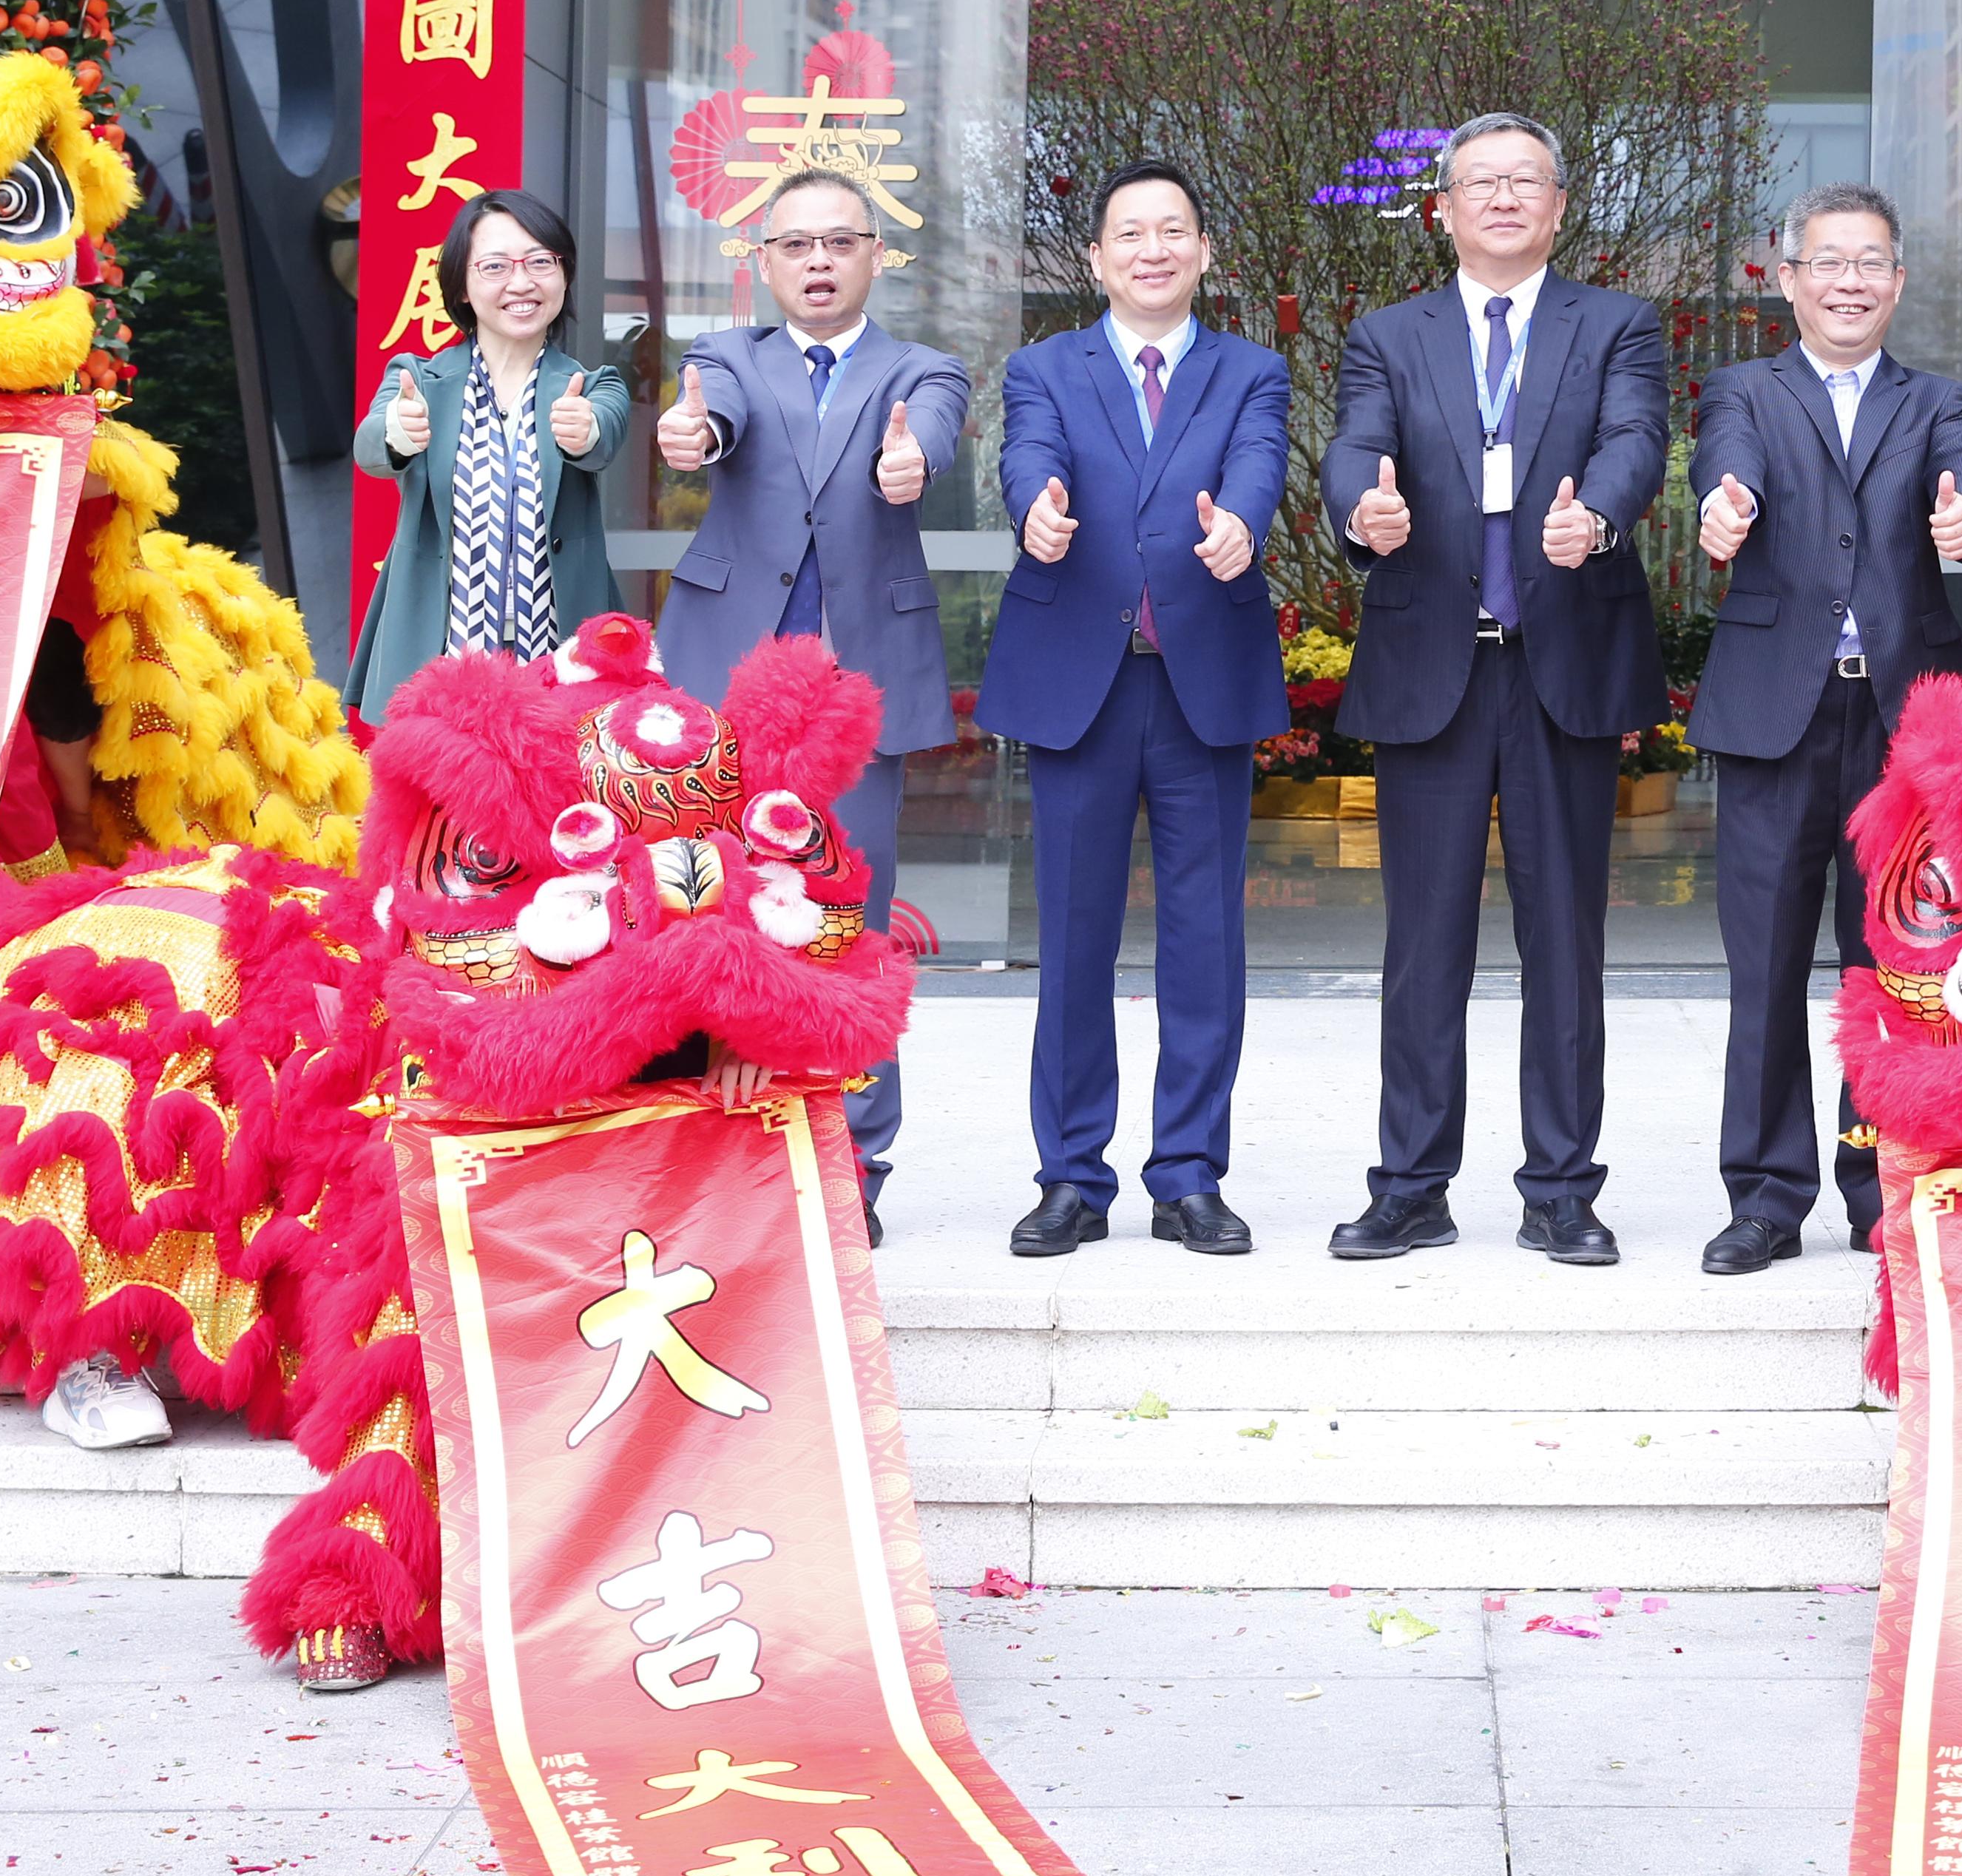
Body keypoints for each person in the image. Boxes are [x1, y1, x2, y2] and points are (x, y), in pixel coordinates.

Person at [1316, 113, 1669, 1267]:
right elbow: (1356, 444)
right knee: (1423, 943)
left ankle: (1561, 1188)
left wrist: (1597, 515)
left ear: (1559, 206)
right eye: (1482, 181)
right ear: (1445, 207)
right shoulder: (1388, 333)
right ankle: (1411, 1184)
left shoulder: (1616, 323)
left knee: (1565, 939)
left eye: (1527, 180)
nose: (1505, 197)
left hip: (1562, 658)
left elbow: (1636, 439)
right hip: (1434, 663)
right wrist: (1363, 510)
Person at [980, 160, 1290, 1261]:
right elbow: (1028, 455)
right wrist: (1037, 510)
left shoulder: (1251, 369)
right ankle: (1071, 1174)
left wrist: (1240, 524)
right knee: (1074, 940)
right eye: (1130, 233)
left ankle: (1190, 1173)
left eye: (1173, 231)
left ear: (1204, 251)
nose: (1152, 250)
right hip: (1083, 681)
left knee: (1206, 941)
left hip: (1201, 679)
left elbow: (1258, 465)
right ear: (1097, 257)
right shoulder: (1042, 366)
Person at [1687, 183, 1962, 1276]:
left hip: (1903, 722)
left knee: (1898, 965)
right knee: (1766, 964)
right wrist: (1725, 506)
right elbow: (1726, 463)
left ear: (1898, 282)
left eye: (1871, 263)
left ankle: (1884, 1184)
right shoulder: (1743, 388)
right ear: (1790, 279)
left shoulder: (1939, 398)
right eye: (1828, 262)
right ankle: (1765, 1196)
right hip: (1777, 710)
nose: (1849, 282)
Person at [653, 168, 969, 1232]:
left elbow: (931, 431)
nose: (819, 261)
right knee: (706, 906)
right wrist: (694, 436)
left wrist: (909, 461)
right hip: (723, 680)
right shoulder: (724, 356)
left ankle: (853, 1170)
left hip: (857, 690)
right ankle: (708, 1152)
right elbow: (716, 418)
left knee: (852, 921)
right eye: (796, 244)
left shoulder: (923, 367)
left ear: (877, 254)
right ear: (765, 262)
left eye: (840, 242)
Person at [341, 189, 634, 725]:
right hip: (444, 661)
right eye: (496, 266)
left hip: (562, 663)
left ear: (563, 275)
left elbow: (603, 435)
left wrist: (584, 430)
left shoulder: (593, 386)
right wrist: (398, 434)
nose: (521, 283)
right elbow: (371, 447)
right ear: (461, 285)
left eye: (540, 262)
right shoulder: (418, 380)